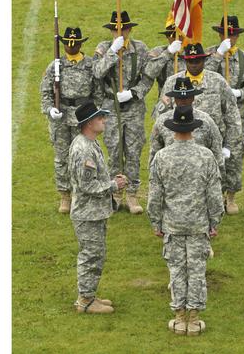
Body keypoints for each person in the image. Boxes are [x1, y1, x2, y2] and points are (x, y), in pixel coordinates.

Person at [147, 105, 224, 335]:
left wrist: (156, 222)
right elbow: (214, 194)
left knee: (177, 269)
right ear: (193, 128)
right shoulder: (206, 156)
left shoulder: (162, 157)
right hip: (199, 223)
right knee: (197, 270)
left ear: (172, 130)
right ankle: (194, 317)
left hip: (172, 223)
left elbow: (155, 195)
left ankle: (179, 317)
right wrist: (214, 222)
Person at [92, 10, 155, 214]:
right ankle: (116, 192)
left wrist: (133, 93)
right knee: (115, 151)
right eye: (115, 29)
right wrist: (112, 51)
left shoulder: (140, 49)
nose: (119, 33)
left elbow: (148, 77)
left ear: (129, 29)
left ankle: (133, 194)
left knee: (134, 150)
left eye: (123, 29)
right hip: (111, 108)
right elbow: (97, 72)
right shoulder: (103, 48)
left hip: (133, 107)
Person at [68, 102, 128, 314]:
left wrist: (111, 180)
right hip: (88, 213)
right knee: (91, 255)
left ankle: (89, 294)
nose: (104, 120)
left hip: (94, 212)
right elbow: (86, 185)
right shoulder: (84, 149)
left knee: (97, 254)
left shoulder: (90, 143)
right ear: (88, 123)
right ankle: (85, 301)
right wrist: (114, 185)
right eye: (100, 117)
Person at [160, 43, 241, 186]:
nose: (194, 64)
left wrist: (228, 145)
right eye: (190, 61)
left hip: (211, 142)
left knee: (213, 180)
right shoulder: (172, 82)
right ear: (185, 61)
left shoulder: (217, 81)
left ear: (204, 61)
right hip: (180, 141)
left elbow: (232, 116)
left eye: (197, 61)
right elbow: (162, 116)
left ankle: (227, 199)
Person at [40, 26, 101, 213]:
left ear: (81, 44)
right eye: (68, 43)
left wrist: (92, 115)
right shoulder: (55, 66)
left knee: (84, 157)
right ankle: (65, 195)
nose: (71, 47)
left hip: (82, 117)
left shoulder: (90, 65)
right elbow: (45, 91)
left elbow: (97, 93)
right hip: (61, 116)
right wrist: (50, 109)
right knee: (61, 157)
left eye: (75, 44)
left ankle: (81, 192)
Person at [204, 15, 244, 214]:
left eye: (233, 34)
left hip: (237, 115)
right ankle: (214, 195)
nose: (230, 38)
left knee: (235, 154)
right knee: (212, 153)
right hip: (213, 113)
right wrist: (219, 54)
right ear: (219, 34)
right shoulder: (209, 54)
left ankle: (231, 197)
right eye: (226, 34)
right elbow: (203, 77)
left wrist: (240, 93)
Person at [148, 77, 224, 170]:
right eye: (180, 98)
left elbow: (217, 154)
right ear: (175, 99)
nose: (183, 101)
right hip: (170, 176)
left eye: (186, 97)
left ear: (192, 98)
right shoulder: (162, 121)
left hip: (199, 177)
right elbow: (154, 154)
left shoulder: (206, 121)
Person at [144, 21, 185, 100]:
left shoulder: (192, 52)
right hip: (165, 99)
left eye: (178, 35)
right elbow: (149, 72)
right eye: (170, 35)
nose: (175, 38)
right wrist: (168, 53)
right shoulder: (158, 52)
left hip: (188, 98)